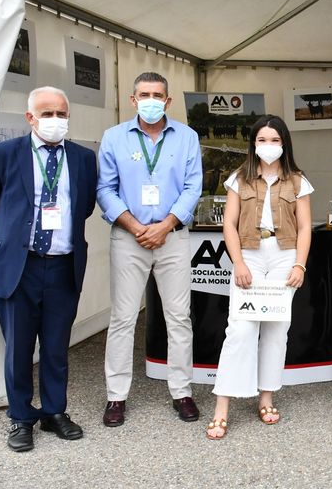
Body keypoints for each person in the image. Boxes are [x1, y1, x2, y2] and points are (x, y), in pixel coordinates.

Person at [0, 86, 98, 452]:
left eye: (61, 113)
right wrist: (15, 229)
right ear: (30, 118)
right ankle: (21, 417)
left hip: (62, 266)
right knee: (18, 349)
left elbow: (84, 206)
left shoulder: (83, 158)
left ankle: (55, 412)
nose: (55, 120)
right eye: (47, 114)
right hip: (18, 266)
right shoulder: (2, 154)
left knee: (57, 346)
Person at [96, 72, 202, 427]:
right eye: (145, 94)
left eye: (158, 94)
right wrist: (136, 225)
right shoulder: (113, 138)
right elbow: (105, 189)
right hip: (130, 237)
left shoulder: (187, 138)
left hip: (171, 237)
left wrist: (166, 225)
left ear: (168, 101)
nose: (151, 100)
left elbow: (192, 187)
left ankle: (182, 391)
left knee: (179, 317)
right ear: (133, 99)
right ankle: (116, 397)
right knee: (123, 318)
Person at [205, 115, 312, 439]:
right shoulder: (239, 178)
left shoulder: (297, 180)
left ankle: (266, 398)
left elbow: (306, 226)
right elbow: (229, 225)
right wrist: (237, 263)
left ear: (284, 143)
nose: (268, 146)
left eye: (275, 140)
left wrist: (299, 265)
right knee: (239, 331)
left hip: (283, 256)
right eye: (262, 140)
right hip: (250, 254)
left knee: (277, 331)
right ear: (254, 143)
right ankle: (222, 406)